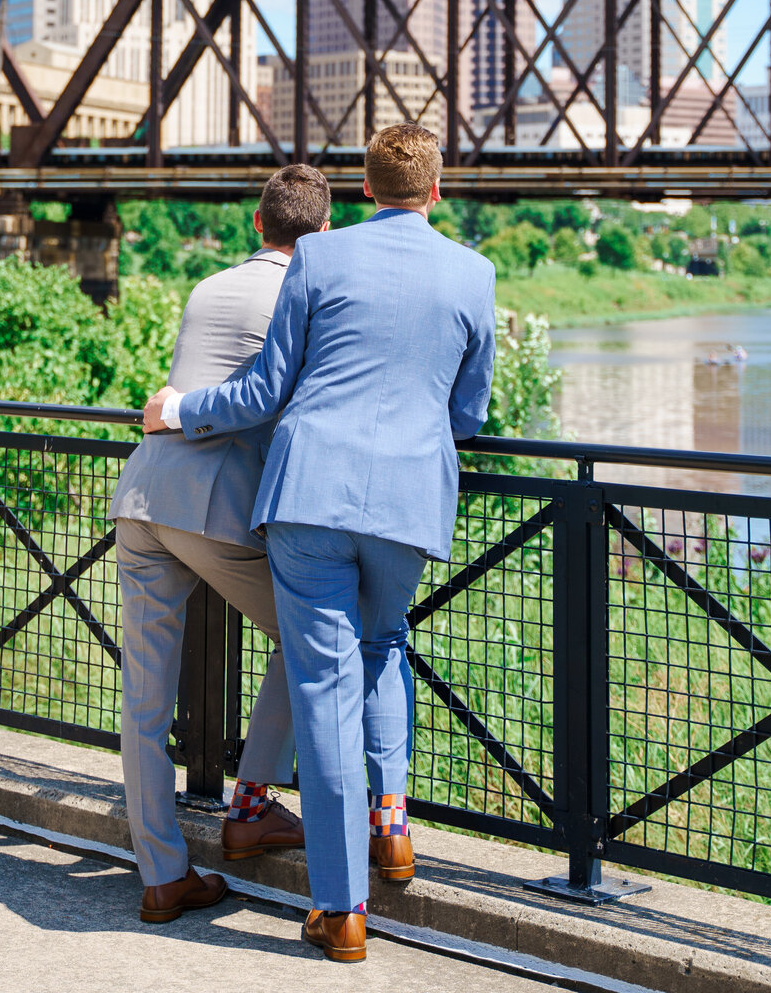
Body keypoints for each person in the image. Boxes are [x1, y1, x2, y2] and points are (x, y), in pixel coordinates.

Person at [144, 124, 496, 963]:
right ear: (435, 191)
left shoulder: (321, 259)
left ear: (365, 191)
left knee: (326, 682)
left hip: (310, 495)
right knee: (383, 647)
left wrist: (178, 410)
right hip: (408, 500)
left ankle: (342, 911)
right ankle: (393, 830)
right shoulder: (474, 274)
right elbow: (470, 414)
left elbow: (266, 389)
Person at [111, 162, 332, 923]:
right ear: (325, 232)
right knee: (311, 632)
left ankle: (163, 876)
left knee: (143, 700)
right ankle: (251, 802)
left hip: (142, 495)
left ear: (256, 225)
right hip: (214, 508)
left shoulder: (209, 286)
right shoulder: (305, 292)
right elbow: (273, 400)